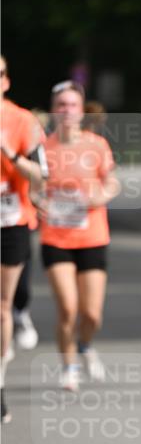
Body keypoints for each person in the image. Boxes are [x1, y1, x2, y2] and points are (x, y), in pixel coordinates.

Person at [38, 81, 120, 392]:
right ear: (53, 110)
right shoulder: (42, 149)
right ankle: (68, 366)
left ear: (82, 110)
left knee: (91, 314)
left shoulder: (96, 145)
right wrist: (40, 202)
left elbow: (112, 183)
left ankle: (85, 344)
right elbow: (32, 189)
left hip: (92, 237)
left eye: (72, 105)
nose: (67, 110)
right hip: (56, 237)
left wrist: (102, 195)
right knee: (67, 308)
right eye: (61, 105)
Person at [0, 55, 48, 422]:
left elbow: (40, 176)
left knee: (1, 306)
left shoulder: (22, 121)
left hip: (11, 221)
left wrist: (9, 151)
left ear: (6, 80)